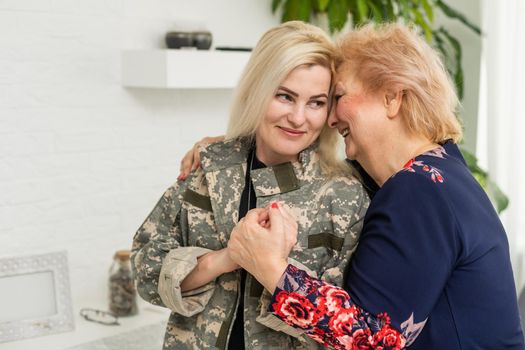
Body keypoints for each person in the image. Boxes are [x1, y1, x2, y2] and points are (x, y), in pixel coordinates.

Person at [181, 23, 525, 349]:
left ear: (391, 97)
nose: (330, 118)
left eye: (339, 96)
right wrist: (234, 149)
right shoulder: (438, 171)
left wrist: (271, 268)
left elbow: (372, 339)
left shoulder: (418, 191)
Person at [131, 21, 369, 350]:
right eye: (285, 96)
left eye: (316, 102)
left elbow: (346, 326)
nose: (299, 118)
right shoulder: (207, 167)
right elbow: (144, 268)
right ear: (257, 90)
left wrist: (273, 268)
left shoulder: (344, 194)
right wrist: (225, 258)